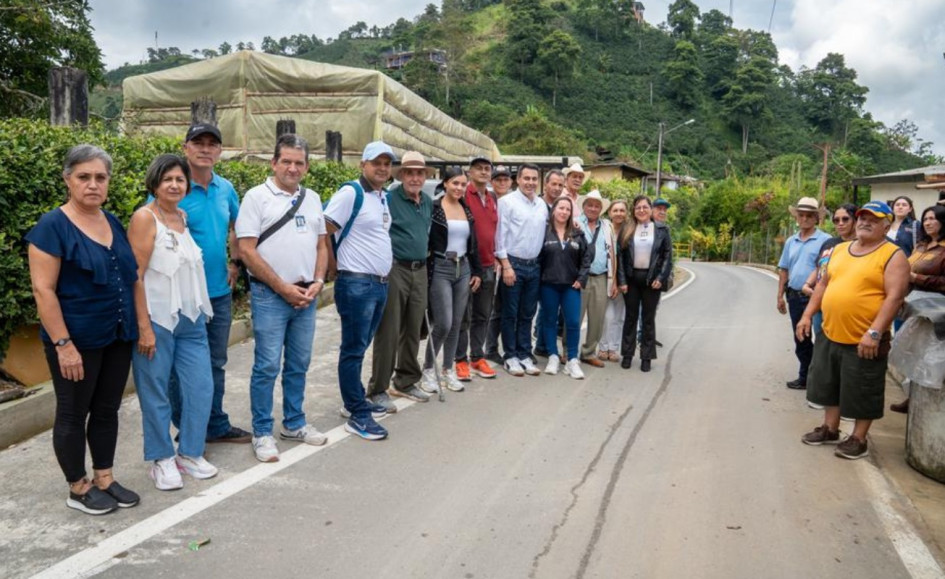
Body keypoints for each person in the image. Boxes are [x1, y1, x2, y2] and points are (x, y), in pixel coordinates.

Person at [26, 144, 140, 515]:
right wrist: (63, 344)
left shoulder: (112, 221)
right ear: (68, 180)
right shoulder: (51, 227)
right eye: (84, 177)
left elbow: (128, 276)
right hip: (75, 340)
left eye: (100, 177)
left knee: (107, 409)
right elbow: (43, 291)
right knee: (73, 412)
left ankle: (104, 477)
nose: (93, 184)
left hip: (117, 334)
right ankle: (78, 487)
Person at [236, 134, 329, 462]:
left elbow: (321, 245)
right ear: (274, 163)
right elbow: (246, 250)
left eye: (299, 163)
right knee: (267, 366)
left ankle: (294, 423)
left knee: (299, 363)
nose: (292, 168)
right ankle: (262, 432)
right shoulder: (256, 197)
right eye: (286, 161)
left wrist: (319, 281)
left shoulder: (312, 198)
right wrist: (282, 287)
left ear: (306, 167)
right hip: (270, 296)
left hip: (306, 295)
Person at [129, 154, 217, 488]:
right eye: (168, 179)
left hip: (191, 319)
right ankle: (161, 458)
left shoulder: (181, 216)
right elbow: (135, 275)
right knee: (155, 391)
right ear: (155, 183)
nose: (175, 185)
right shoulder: (144, 218)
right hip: (157, 319)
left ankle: (190, 452)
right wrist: (144, 327)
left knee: (200, 387)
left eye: (180, 179)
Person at [797, 201, 910, 460]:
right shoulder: (839, 250)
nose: (865, 222)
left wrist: (875, 333)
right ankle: (830, 428)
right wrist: (807, 315)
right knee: (829, 383)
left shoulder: (893, 255)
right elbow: (823, 285)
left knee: (863, 389)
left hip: (864, 338)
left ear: (886, 226)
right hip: (830, 332)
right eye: (862, 218)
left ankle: (858, 439)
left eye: (873, 219)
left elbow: (894, 298)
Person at [168, 124, 250, 444]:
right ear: (185, 147)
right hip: (184, 296)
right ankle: (188, 428)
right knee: (183, 366)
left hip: (218, 292)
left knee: (216, 362)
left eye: (212, 144)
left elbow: (237, 226)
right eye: (198, 142)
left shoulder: (225, 188)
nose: (205, 149)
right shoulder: (172, 187)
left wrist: (235, 262)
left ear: (219, 151)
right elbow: (153, 230)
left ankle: (214, 424)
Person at [324, 141, 395, 441]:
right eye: (376, 162)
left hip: (378, 283)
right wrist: (332, 266)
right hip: (356, 283)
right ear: (363, 164)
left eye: (387, 164)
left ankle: (353, 399)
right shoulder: (350, 193)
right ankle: (357, 413)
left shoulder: (381, 197)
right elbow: (323, 229)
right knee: (353, 349)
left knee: (360, 346)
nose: (382, 168)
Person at [366, 152, 434, 410]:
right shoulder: (390, 199)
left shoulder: (427, 201)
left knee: (414, 327)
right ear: (402, 175)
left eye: (420, 173)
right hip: (395, 268)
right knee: (389, 330)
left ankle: (405, 380)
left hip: (421, 269)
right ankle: (378, 388)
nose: (415, 178)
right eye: (410, 173)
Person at [421, 167, 483, 393]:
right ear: (445, 183)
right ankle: (428, 370)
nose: (459, 188)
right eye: (455, 183)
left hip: (463, 268)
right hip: (440, 267)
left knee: (457, 323)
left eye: (463, 184)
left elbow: (472, 243)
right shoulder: (434, 207)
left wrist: (476, 271)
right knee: (443, 323)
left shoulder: (466, 209)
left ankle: (448, 370)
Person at [889, 204, 945, 414]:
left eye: (933, 218)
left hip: (937, 314)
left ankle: (925, 405)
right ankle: (912, 397)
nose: (928, 222)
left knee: (931, 359)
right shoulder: (921, 245)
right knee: (913, 354)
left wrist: (916, 277)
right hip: (916, 308)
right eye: (926, 218)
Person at [495, 163, 549, 377]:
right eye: (526, 178)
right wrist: (506, 265)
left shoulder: (541, 205)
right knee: (510, 313)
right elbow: (499, 236)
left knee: (528, 313)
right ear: (518, 179)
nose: (530, 182)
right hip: (513, 264)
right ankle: (510, 356)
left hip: (534, 265)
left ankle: (525, 353)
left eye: (534, 179)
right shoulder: (506, 202)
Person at [777, 197, 831, 389]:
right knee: (801, 337)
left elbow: (826, 268)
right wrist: (780, 296)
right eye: (801, 215)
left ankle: (821, 378)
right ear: (797, 217)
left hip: (816, 295)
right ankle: (806, 376)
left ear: (816, 218)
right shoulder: (791, 241)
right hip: (794, 295)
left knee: (822, 336)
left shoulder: (825, 240)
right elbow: (784, 269)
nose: (805, 219)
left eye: (809, 215)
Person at [455, 156, 499, 382]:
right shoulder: (463, 195)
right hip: (469, 265)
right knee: (463, 315)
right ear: (470, 172)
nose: (483, 172)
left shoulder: (492, 198)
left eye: (487, 169)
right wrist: (473, 268)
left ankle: (477, 356)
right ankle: (459, 359)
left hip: (489, 265)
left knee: (483, 314)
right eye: (479, 168)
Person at [616, 196, 672, 372]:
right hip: (632, 279)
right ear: (634, 211)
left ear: (650, 209)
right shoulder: (627, 229)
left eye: (645, 207)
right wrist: (622, 281)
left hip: (651, 280)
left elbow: (667, 256)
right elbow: (621, 257)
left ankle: (646, 357)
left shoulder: (661, 229)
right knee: (630, 318)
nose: (641, 210)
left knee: (648, 319)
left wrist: (660, 278)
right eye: (638, 207)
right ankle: (627, 354)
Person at [540, 197, 593, 379]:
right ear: (554, 210)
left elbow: (586, 258)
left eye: (567, 209)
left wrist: (581, 278)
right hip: (549, 284)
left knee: (572, 322)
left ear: (571, 213)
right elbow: (537, 257)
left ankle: (572, 360)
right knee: (549, 321)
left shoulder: (577, 233)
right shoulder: (544, 231)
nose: (564, 212)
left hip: (571, 286)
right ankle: (553, 356)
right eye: (561, 208)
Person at [801, 203, 858, 337]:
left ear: (856, 221)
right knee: (821, 341)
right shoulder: (829, 243)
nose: (840, 223)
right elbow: (820, 268)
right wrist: (807, 284)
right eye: (836, 220)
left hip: (846, 307)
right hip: (821, 303)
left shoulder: (862, 245)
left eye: (845, 219)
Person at [577, 190, 613, 368]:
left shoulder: (607, 226)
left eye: (597, 206)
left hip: (601, 277)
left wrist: (614, 280)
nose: (593, 208)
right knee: (574, 317)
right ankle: (568, 351)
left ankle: (588, 352)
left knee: (597, 318)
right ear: (584, 207)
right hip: (579, 277)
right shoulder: (575, 223)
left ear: (601, 209)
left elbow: (612, 252)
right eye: (589, 205)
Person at [534, 168, 566, 358]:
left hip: (554, 264)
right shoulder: (537, 205)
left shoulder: (562, 206)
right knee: (538, 308)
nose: (556, 188)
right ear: (545, 184)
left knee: (548, 307)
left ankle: (543, 345)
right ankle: (539, 345)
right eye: (553, 184)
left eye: (560, 185)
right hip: (535, 261)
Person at [485, 165, 514, 365]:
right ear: (492, 181)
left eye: (505, 179)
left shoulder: (512, 202)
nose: (502, 183)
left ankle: (501, 347)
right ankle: (490, 348)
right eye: (498, 179)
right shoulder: (488, 200)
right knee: (492, 308)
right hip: (491, 260)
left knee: (504, 307)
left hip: (509, 260)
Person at [599, 200, 628, 362]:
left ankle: (613, 348)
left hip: (624, 280)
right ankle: (603, 347)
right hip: (606, 277)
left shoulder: (630, 231)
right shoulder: (604, 228)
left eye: (622, 210)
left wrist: (621, 280)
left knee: (619, 316)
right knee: (606, 315)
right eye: (615, 210)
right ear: (609, 212)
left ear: (626, 213)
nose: (618, 213)